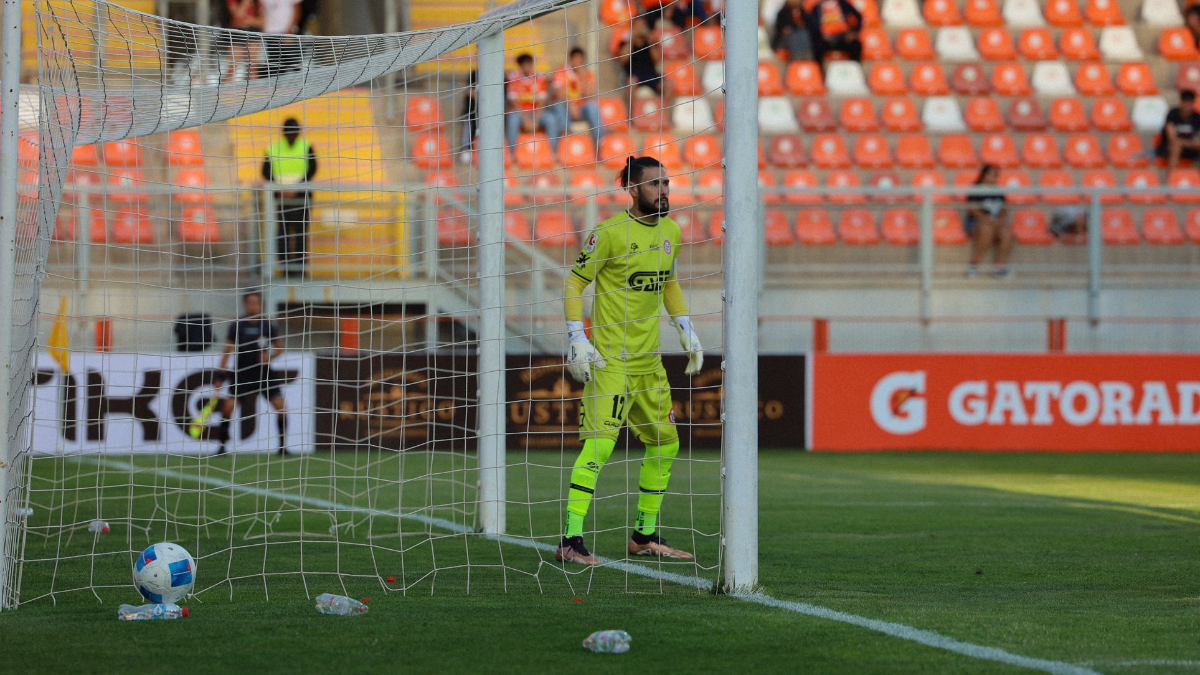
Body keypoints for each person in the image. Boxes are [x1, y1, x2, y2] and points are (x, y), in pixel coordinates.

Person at [556, 155, 704, 566]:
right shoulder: (608, 234)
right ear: (633, 190)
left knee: (666, 443)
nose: (664, 191)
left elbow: (668, 280)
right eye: (655, 184)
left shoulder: (672, 230)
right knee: (599, 449)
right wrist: (577, 337)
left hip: (649, 364)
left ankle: (644, 535)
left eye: (667, 183)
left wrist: (685, 326)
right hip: (612, 363)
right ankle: (570, 540)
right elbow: (574, 282)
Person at [212, 292, 288, 456]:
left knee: (281, 407)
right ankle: (222, 446)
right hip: (242, 373)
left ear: (261, 305)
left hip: (263, 373)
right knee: (227, 408)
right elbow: (227, 351)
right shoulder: (237, 325)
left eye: (256, 302)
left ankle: (283, 447)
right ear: (245, 304)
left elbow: (280, 348)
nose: (252, 305)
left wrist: (270, 356)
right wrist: (220, 375)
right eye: (249, 302)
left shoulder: (268, 326)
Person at [261, 118, 317, 275]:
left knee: (300, 233)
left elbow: (312, 170)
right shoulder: (273, 148)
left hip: (301, 199)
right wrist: (279, 190)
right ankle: (285, 268)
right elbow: (266, 172)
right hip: (281, 199)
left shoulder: (306, 147)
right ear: (284, 133)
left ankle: (300, 269)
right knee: (283, 233)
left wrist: (296, 189)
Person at [542, 47, 603, 152]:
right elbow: (558, 92)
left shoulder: (587, 75)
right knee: (558, 103)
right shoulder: (560, 71)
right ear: (570, 59)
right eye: (576, 59)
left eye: (581, 59)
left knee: (592, 106)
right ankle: (567, 133)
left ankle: (600, 141)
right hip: (565, 108)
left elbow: (589, 95)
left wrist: (583, 77)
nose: (579, 62)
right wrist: (571, 105)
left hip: (580, 110)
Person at [964, 164, 1013, 279]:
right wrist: (987, 220)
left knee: (1007, 233)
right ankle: (974, 264)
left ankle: (999, 267)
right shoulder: (976, 190)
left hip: (995, 223)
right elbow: (972, 210)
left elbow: (1004, 209)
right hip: (977, 223)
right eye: (992, 174)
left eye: (996, 175)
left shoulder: (998, 191)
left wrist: (999, 220)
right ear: (984, 175)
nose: (995, 177)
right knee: (986, 229)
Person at [617, 16, 672, 100]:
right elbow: (623, 59)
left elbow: (657, 60)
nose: (640, 29)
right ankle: (631, 112)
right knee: (631, 83)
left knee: (668, 85)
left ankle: (663, 111)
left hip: (651, 75)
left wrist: (651, 42)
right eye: (638, 26)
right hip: (634, 75)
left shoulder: (651, 43)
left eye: (642, 26)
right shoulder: (625, 43)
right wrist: (632, 39)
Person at [804, 0, 863, 68]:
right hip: (826, 40)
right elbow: (812, 26)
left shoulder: (842, 3)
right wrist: (821, 35)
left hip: (843, 38)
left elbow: (858, 16)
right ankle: (820, 74)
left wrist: (854, 32)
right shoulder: (816, 8)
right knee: (816, 47)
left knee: (856, 45)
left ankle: (855, 70)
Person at [1156, 90, 1200, 170]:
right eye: (1185, 103)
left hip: (1189, 146)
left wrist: (1187, 143)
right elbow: (1172, 138)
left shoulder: (1196, 117)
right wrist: (1188, 143)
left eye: (1190, 104)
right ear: (1181, 102)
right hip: (1168, 147)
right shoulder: (1172, 114)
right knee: (1176, 146)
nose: (1187, 107)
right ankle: (1172, 178)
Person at [259, 0, 303, 77]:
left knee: (294, 63)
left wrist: (290, 30)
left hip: (287, 32)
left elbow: (298, 11)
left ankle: (297, 85)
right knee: (275, 64)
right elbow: (261, 11)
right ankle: (279, 87)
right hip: (270, 32)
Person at [223, 0, 263, 83]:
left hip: (253, 33)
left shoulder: (257, 2)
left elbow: (263, 22)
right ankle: (224, 92)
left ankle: (253, 92)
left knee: (252, 67)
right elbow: (238, 15)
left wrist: (251, 21)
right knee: (233, 67)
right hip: (236, 34)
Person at [459, 70, 478, 165]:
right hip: (472, 111)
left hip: (489, 112)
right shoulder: (475, 74)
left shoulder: (498, 73)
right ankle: (466, 148)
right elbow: (470, 91)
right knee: (469, 121)